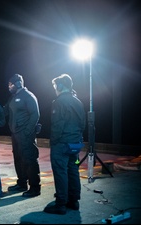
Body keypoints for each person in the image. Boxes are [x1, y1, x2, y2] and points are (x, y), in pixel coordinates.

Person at [43, 74, 86, 215]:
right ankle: (74, 201)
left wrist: (53, 141)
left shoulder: (58, 102)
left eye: (55, 86)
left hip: (61, 143)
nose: (55, 89)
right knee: (73, 170)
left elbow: (57, 124)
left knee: (60, 172)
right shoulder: (78, 102)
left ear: (60, 86)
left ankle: (61, 204)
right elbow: (83, 124)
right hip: (74, 143)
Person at [4, 74, 41, 197]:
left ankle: (35, 188)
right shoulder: (12, 98)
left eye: (11, 84)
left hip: (26, 135)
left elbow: (35, 115)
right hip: (15, 135)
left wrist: (27, 131)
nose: (9, 87)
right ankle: (22, 183)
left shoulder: (28, 96)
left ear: (18, 83)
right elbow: (4, 111)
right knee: (18, 159)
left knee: (29, 159)